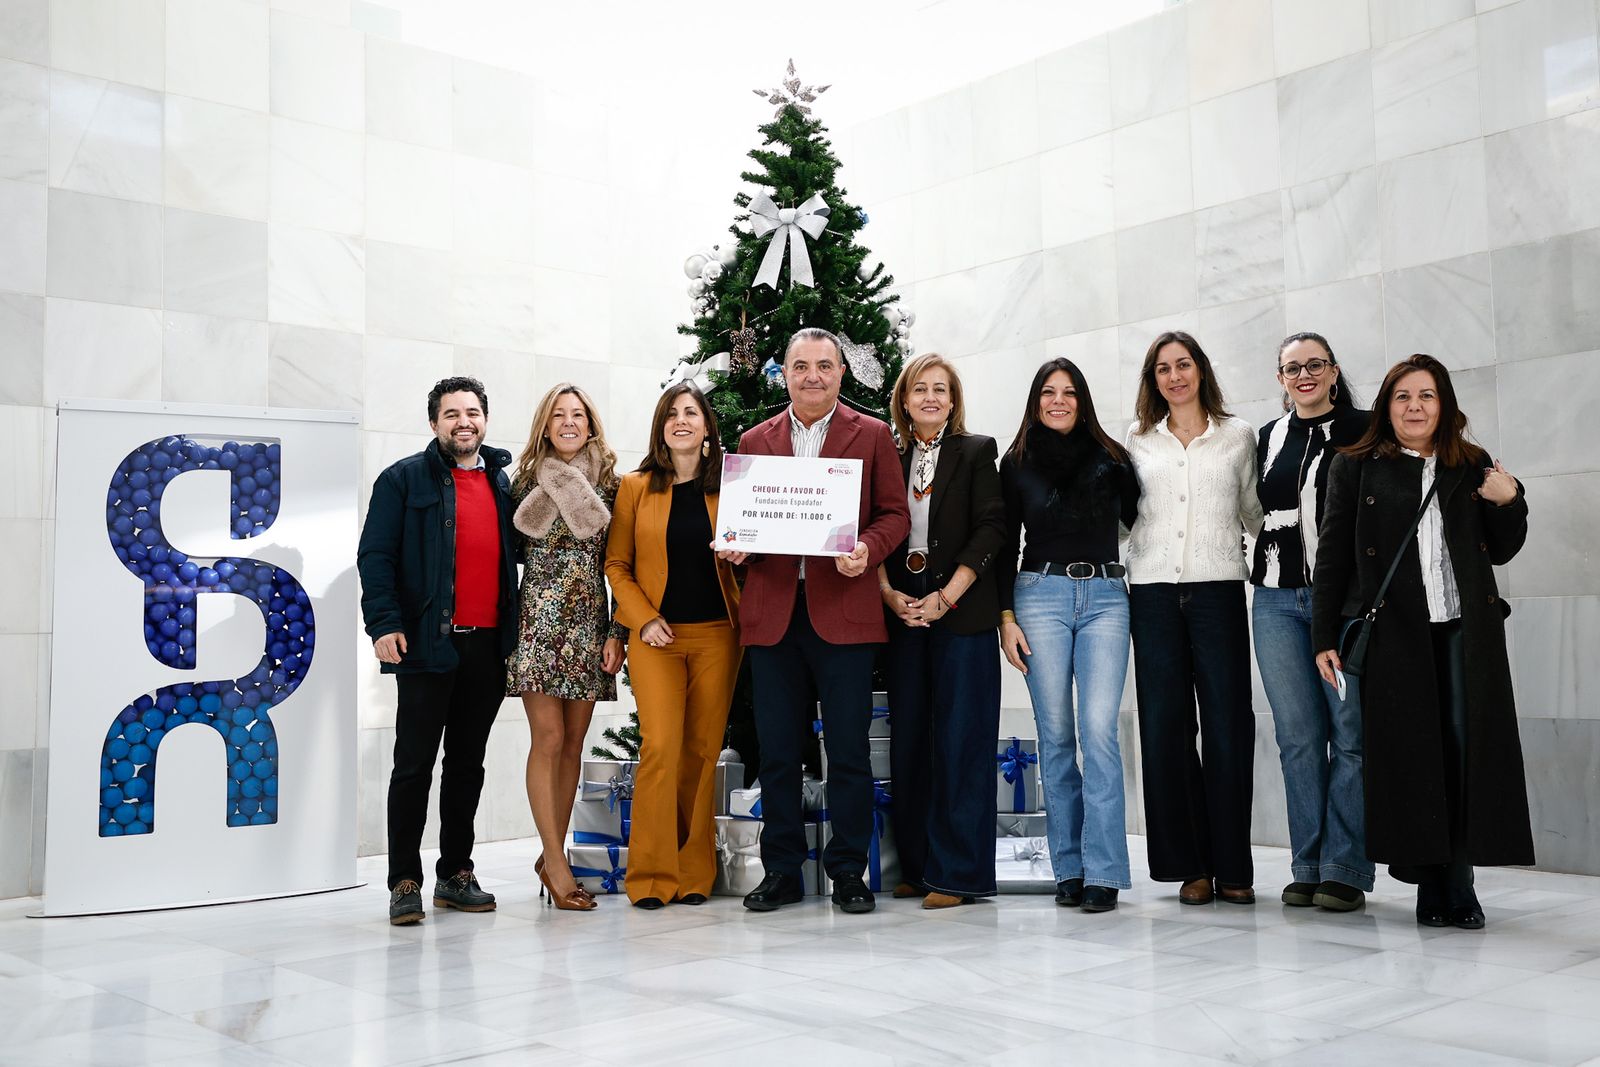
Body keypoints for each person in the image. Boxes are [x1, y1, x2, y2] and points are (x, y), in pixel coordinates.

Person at [1313, 354, 1532, 930]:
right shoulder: (1355, 467)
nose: (1415, 407)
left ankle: (1459, 885)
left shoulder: (1471, 463)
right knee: (1412, 758)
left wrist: (1509, 499)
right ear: (1387, 406)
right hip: (1396, 634)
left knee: (1461, 752)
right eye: (1403, 396)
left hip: (1463, 630)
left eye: (1427, 396)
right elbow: (1332, 556)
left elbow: (1502, 547)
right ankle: (1429, 886)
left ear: (1444, 404)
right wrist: (1323, 635)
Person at [719, 327, 910, 915]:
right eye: (800, 366)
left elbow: (894, 514)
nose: (812, 376)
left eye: (824, 366)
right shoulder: (755, 439)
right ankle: (781, 871)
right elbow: (746, 522)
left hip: (844, 613)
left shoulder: (871, 434)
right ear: (784, 373)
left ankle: (848, 870)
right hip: (774, 615)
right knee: (777, 752)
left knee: (848, 751)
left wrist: (868, 550)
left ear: (841, 373)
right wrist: (739, 546)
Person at [358, 376, 516, 925]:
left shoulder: (501, 483)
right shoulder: (402, 479)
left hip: (489, 647)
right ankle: (404, 881)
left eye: (472, 412)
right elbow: (376, 556)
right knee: (413, 766)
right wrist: (383, 624)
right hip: (427, 643)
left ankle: (455, 874)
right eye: (451, 414)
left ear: (484, 420)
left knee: (467, 765)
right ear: (434, 423)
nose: (463, 422)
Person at [1124, 331, 1264, 905]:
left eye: (1183, 365)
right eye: (1163, 369)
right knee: (1165, 727)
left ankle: (1232, 866)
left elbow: (1255, 512)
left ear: (1201, 370)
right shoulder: (1137, 440)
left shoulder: (1238, 436)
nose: (1175, 376)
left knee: (1229, 726)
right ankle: (1190, 867)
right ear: (1153, 380)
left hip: (1218, 591)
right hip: (1151, 593)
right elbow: (1123, 519)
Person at [998, 358, 1140, 913]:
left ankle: (1104, 871)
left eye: (1069, 392)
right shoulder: (1016, 463)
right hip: (1040, 596)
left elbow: (1142, 522)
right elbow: (1004, 545)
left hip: (1106, 597)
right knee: (1055, 736)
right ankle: (1070, 869)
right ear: (1036, 401)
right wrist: (1005, 619)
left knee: (1099, 732)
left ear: (1083, 401)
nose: (1059, 401)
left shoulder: (1113, 458)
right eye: (1048, 392)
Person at [604, 382, 742, 910]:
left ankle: (693, 873)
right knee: (660, 748)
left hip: (718, 635)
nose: (681, 420)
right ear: (661, 428)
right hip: (655, 638)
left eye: (691, 412)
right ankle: (651, 876)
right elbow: (617, 564)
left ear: (708, 426)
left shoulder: (731, 486)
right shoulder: (636, 487)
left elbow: (755, 554)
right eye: (671, 414)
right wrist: (642, 620)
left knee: (703, 753)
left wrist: (743, 555)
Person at [1251, 332, 1373, 912]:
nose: (1304, 375)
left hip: (1343, 604)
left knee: (1349, 735)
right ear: (1280, 378)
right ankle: (1307, 866)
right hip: (1275, 601)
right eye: (1292, 368)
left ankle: (1344, 869)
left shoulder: (1366, 430)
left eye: (1314, 365)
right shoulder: (1269, 436)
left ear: (1333, 370)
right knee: (1298, 738)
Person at [878, 353, 1005, 910]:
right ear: (904, 401)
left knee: (961, 741)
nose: (930, 397)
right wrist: (889, 595)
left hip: (962, 611)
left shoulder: (976, 451)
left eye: (941, 389)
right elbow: (871, 529)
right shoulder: (889, 457)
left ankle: (959, 875)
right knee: (910, 740)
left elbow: (992, 528)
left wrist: (947, 596)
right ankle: (919, 866)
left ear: (953, 401)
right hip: (904, 613)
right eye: (919, 389)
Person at [507, 383, 625, 911]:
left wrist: (618, 631)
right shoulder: (524, 482)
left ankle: (550, 854)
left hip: (588, 623)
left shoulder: (612, 484)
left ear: (591, 424)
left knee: (574, 743)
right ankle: (557, 863)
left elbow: (622, 562)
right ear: (546, 425)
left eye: (578, 414)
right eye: (559, 415)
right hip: (536, 621)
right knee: (549, 738)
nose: (569, 422)